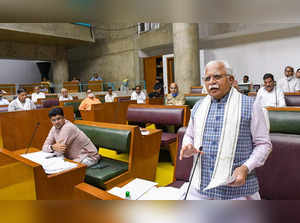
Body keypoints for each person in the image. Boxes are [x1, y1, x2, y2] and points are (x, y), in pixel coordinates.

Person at [180, 60, 272, 200]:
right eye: (207, 78)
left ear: (231, 79)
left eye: (217, 77)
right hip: (200, 188)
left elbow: (263, 144)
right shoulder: (198, 107)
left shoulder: (251, 105)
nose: (212, 82)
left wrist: (245, 167)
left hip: (237, 191)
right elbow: (189, 135)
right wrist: (187, 146)